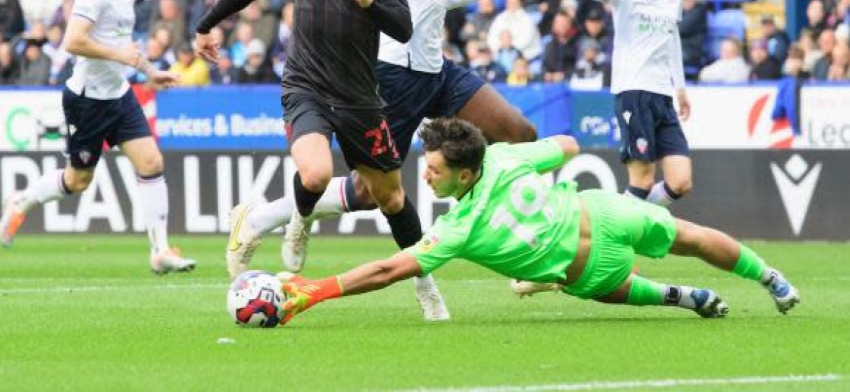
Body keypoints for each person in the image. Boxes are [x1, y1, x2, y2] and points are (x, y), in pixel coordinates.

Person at [225, 0, 534, 301]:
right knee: (373, 192)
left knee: (517, 132)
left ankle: (529, 248)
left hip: (434, 66)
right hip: (393, 71)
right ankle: (260, 218)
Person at [194, 0, 450, 321]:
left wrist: (368, 2)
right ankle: (300, 218)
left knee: (390, 198)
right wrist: (205, 25)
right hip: (306, 85)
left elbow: (403, 27)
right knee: (313, 175)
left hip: (359, 98)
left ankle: (425, 284)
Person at [276, 118, 800, 325]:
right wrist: (539, 157)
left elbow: (390, 270)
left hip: (585, 265)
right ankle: (762, 280)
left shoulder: (458, 229)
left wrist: (313, 291)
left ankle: (698, 294)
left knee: (616, 281)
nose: (427, 179)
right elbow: (569, 145)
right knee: (688, 238)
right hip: (601, 212)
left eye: (435, 171)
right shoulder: (505, 157)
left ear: (464, 173)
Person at [0, 0, 196, 275]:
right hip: (88, 100)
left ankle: (160, 251)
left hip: (119, 94)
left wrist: (150, 73)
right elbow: (73, 41)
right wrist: (118, 57)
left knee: (151, 163)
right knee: (78, 181)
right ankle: (21, 201)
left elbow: (125, 44)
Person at [573, 0, 693, 207]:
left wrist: (681, 87)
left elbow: (671, 37)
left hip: (663, 95)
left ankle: (620, 218)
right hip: (633, 91)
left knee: (681, 181)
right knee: (642, 180)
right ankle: (618, 229)